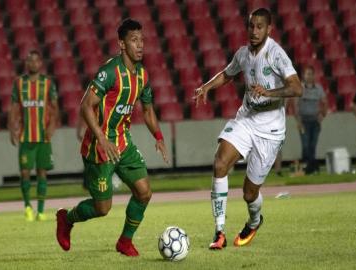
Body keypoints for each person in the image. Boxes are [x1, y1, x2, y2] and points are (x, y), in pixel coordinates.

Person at [55, 18, 169, 257]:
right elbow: (86, 106)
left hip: (123, 143)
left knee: (144, 192)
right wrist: (103, 139)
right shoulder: (109, 71)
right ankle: (67, 218)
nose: (140, 45)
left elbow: (147, 110)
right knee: (102, 208)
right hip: (99, 147)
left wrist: (158, 136)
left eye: (142, 40)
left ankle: (125, 241)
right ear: (122, 44)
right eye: (134, 40)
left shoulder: (142, 76)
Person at [193, 8, 302, 249]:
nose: (254, 31)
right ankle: (219, 232)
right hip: (246, 119)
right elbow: (227, 74)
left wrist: (270, 92)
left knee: (249, 194)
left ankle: (254, 221)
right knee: (220, 163)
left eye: (260, 26)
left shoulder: (276, 54)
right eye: (251, 26)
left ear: (269, 29)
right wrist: (207, 87)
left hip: (270, 132)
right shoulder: (243, 54)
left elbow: (297, 88)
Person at [8, 50, 59, 222]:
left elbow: (54, 107)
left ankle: (41, 211)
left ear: (40, 63)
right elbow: (14, 107)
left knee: (42, 172)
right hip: (25, 136)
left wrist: (52, 126)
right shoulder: (19, 83)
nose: (33, 64)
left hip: (43, 137)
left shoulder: (48, 83)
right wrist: (11, 128)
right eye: (30, 61)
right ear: (26, 64)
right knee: (24, 172)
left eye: (36, 61)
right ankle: (28, 207)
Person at [293, 66, 327, 174]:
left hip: (315, 121)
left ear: (314, 76)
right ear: (304, 75)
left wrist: (323, 114)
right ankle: (309, 166)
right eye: (307, 74)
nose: (309, 76)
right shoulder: (300, 88)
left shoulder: (319, 88)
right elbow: (296, 106)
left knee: (313, 145)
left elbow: (325, 102)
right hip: (303, 121)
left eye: (311, 74)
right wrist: (298, 121)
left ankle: (311, 168)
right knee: (305, 144)